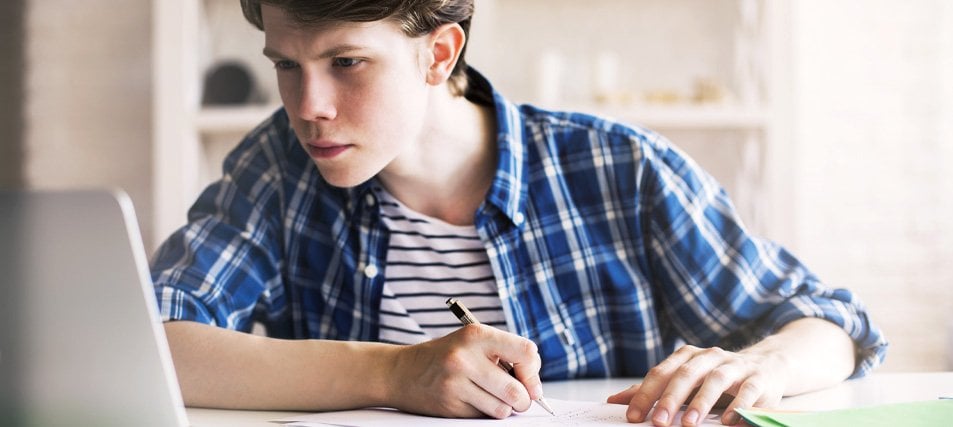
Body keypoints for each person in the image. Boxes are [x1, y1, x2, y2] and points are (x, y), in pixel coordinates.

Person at [150, 1, 888, 425]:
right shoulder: (277, 167)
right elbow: (156, 342)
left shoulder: (617, 170)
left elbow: (833, 324)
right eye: (286, 64)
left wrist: (761, 362)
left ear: (438, 54)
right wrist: (393, 372)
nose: (307, 107)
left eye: (346, 62)